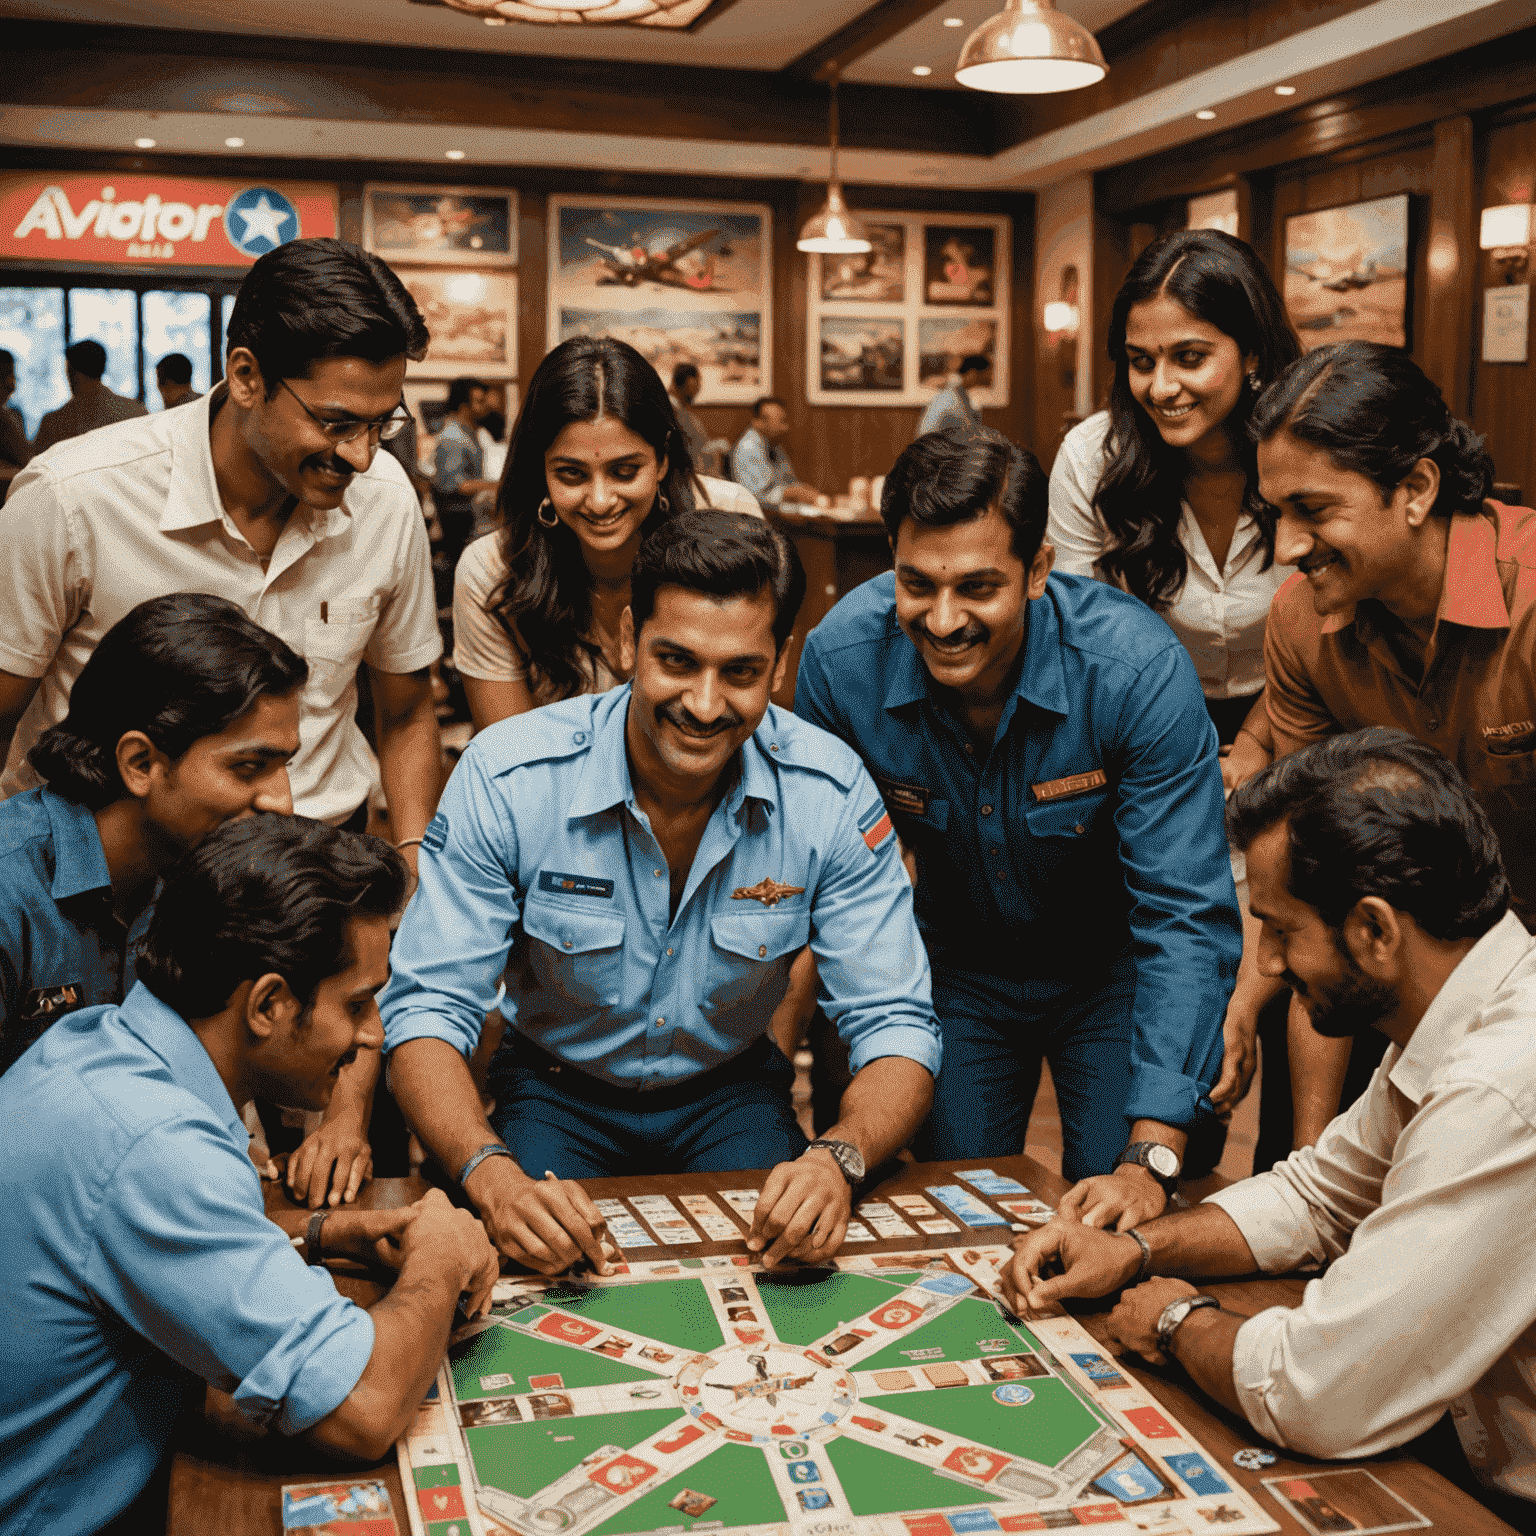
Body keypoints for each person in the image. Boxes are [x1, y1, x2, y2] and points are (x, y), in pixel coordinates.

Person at [385, 510, 941, 1276]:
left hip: (731, 1094)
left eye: (740, 672)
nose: (705, 704)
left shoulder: (831, 792)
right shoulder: (507, 777)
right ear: (625, 642)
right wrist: (493, 1176)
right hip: (555, 1092)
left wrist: (836, 1159)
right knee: (535, 1270)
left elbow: (897, 1025)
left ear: (780, 666)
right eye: (676, 661)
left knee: (787, 1282)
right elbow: (424, 1011)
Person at [1003, 729, 1536, 1527]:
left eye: (1282, 930)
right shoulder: (1456, 1013)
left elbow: (1322, 1393)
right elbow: (1318, 1196)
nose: (1271, 965)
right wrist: (1137, 1247)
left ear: (1376, 931)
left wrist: (1177, 1320)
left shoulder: (1499, 1085)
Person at [0, 815, 499, 1536]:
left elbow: (131, 1239)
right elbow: (362, 1409)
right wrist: (440, 1256)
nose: (373, 1034)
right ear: (268, 1005)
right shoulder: (156, 1143)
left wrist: (329, 1230)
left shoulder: (104, 1048)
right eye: (357, 1004)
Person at [796, 426, 1240, 1227]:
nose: (941, 619)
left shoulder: (1135, 670)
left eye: (976, 587)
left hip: (1115, 972)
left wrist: (1151, 1153)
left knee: (1119, 1209)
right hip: (955, 968)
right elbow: (822, 887)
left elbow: (1185, 915)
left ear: (1038, 571)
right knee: (954, 1211)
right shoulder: (841, 663)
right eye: (916, 583)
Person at [0, 238, 444, 863]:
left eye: (382, 423)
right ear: (245, 377)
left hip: (314, 860)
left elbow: (404, 711)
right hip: (114, 873)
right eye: (336, 423)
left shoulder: (384, 497)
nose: (362, 455)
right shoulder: (71, 500)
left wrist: (414, 854)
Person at [1047, 229, 1304, 1169]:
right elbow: (1089, 645)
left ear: (1255, 353)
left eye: (1191, 357)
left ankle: (1294, 1191)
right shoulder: (1097, 458)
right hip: (1143, 739)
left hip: (1302, 731)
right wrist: (1198, 758)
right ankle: (1178, 1163)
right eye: (1142, 361)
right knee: (1182, 978)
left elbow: (1338, 612)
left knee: (1298, 993)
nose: (1163, 386)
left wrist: (1267, 743)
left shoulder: (1305, 444)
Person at [0, 592, 385, 1207]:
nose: (280, 800)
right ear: (140, 762)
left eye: (284, 765)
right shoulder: (10, 893)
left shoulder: (204, 872)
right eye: (249, 766)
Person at [1252, 339, 1536, 1149]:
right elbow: (1318, 896)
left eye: (1314, 509)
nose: (1287, 545)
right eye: (1276, 512)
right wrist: (1309, 1153)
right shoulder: (1299, 625)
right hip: (1399, 980)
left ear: (1415, 488)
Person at [452, 335, 761, 734]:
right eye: (571, 474)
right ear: (540, 469)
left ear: (663, 459)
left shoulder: (730, 522)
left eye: (625, 471)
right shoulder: (493, 571)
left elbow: (738, 711)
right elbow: (513, 761)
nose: (600, 502)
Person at [31, 338, 147, 454]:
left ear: (72, 373)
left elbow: (36, 469)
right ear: (102, 368)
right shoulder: (136, 412)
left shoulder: (55, 424)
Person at [432, 375, 498, 572]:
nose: (485, 406)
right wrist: (495, 484)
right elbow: (455, 485)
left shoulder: (470, 432)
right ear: (463, 406)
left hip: (468, 514)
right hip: (460, 520)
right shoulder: (454, 438)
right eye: (479, 402)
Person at [731, 396, 821, 509]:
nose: (785, 427)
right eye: (781, 422)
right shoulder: (748, 448)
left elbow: (788, 480)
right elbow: (758, 495)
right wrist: (794, 493)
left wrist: (804, 491)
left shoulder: (773, 445)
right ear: (758, 423)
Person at [917, 352, 989, 439]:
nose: (987, 379)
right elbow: (967, 429)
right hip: (933, 447)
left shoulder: (960, 394)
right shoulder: (951, 398)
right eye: (984, 375)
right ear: (972, 374)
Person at [0, 347, 30, 505]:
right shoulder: (9, 417)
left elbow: (25, 459)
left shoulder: (14, 414)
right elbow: (25, 460)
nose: (15, 379)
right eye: (12, 373)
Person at [669, 361, 710, 464]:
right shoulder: (671, 411)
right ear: (689, 383)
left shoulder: (681, 410)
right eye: (696, 384)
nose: (698, 390)